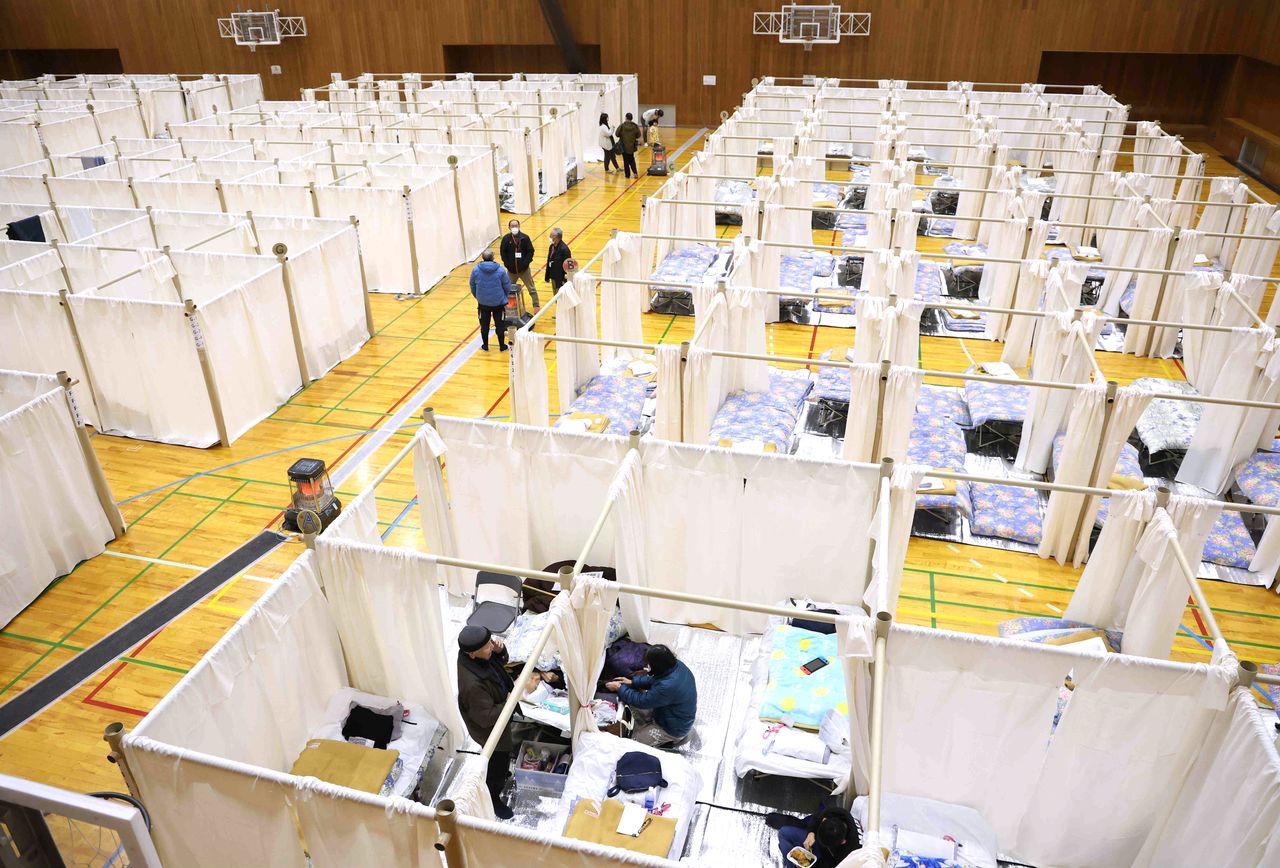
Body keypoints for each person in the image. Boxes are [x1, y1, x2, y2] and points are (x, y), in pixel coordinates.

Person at [456, 626, 519, 818]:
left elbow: (500, 664)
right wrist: (509, 702)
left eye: (491, 642)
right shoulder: (472, 684)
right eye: (486, 647)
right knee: (497, 762)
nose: (491, 647)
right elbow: (486, 718)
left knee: (502, 756)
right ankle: (492, 796)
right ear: (472, 654)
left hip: (496, 708)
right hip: (489, 728)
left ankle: (499, 775)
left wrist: (500, 651)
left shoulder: (480, 655)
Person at [604, 644, 696, 747]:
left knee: (632, 743)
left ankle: (671, 740)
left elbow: (642, 701)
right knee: (631, 702)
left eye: (650, 665)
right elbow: (656, 679)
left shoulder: (667, 686)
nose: (648, 667)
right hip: (668, 714)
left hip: (672, 729)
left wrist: (620, 688)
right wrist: (632, 682)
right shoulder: (676, 665)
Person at [766, 805, 861, 868]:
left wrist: (806, 862)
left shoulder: (850, 852)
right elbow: (816, 818)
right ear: (825, 820)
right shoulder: (836, 813)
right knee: (784, 832)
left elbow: (833, 865)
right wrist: (811, 833)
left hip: (824, 861)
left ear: (843, 842)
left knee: (787, 850)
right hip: (815, 842)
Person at [468, 249, 511, 352]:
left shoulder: (476, 270)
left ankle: (485, 345)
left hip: (483, 303)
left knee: (484, 324)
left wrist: (478, 296)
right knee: (500, 324)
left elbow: (472, 285)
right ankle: (502, 346)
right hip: (498, 303)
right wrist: (504, 297)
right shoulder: (500, 270)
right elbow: (507, 286)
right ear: (493, 258)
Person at [498, 218, 540, 309]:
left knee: (531, 288)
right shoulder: (506, 239)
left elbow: (530, 251)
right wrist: (507, 264)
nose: (514, 227)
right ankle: (508, 307)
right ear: (509, 227)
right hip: (511, 271)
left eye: (516, 226)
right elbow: (502, 252)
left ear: (519, 226)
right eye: (512, 226)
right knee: (507, 288)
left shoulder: (525, 238)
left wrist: (525, 264)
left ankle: (536, 306)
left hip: (524, 270)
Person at [544, 227, 572, 294]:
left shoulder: (565, 250)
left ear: (556, 237)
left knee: (561, 298)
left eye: (551, 235)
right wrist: (547, 276)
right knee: (556, 297)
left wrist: (565, 281)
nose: (549, 237)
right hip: (553, 276)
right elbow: (549, 261)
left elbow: (568, 267)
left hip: (561, 279)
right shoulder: (552, 247)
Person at [614, 113, 642, 179]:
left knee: (625, 160)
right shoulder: (635, 126)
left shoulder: (622, 126)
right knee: (632, 159)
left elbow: (616, 134)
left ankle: (627, 175)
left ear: (626, 117)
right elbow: (639, 135)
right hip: (631, 146)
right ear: (631, 118)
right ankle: (635, 173)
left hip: (623, 146)